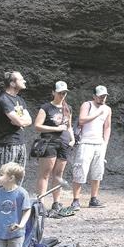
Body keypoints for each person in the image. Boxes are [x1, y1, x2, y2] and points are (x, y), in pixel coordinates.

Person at [31, 81, 73, 217]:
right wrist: (56, 128)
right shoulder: (46, 108)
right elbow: (37, 126)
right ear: (53, 92)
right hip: (49, 142)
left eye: (64, 92)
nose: (62, 95)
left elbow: (69, 126)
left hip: (64, 143)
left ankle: (56, 203)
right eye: (60, 92)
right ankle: (40, 204)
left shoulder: (68, 108)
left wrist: (72, 139)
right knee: (45, 174)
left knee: (58, 175)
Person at [70, 86, 112, 210]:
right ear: (94, 96)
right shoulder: (87, 105)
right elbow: (82, 120)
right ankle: (76, 200)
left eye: (104, 96)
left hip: (99, 143)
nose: (102, 98)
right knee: (80, 170)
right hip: (85, 142)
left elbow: (107, 126)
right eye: (100, 96)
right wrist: (97, 114)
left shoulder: (107, 109)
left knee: (97, 171)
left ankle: (94, 198)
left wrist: (105, 143)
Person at [0, 71, 33, 168]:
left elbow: (29, 121)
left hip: (20, 142)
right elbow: (19, 121)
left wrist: (20, 122)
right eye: (21, 79)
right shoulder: (4, 99)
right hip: (7, 144)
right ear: (12, 83)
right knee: (5, 178)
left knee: (18, 178)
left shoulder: (20, 100)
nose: (24, 81)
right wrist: (20, 122)